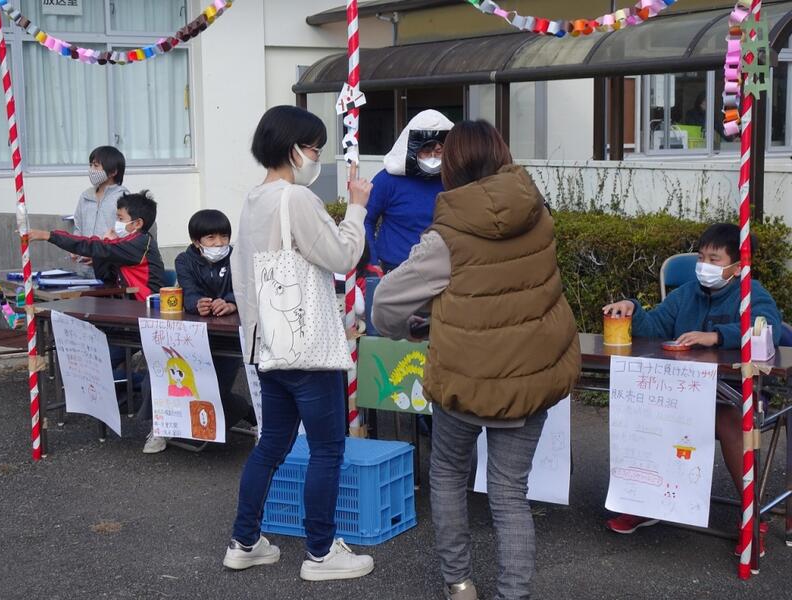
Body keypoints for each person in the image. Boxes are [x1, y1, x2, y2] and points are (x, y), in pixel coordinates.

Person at [371, 120, 581, 600]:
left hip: (464, 379)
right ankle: (514, 594)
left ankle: (460, 583)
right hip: (531, 375)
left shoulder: (446, 237)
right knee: (510, 492)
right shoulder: (539, 213)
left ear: (450, 167)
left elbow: (386, 304)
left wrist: (410, 328)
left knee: (448, 474)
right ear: (502, 154)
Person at [224, 105, 375, 581]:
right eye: (314, 148)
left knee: (271, 444)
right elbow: (343, 255)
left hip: (269, 344)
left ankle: (244, 541)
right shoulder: (297, 199)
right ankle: (321, 552)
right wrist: (357, 206)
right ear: (294, 149)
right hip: (309, 348)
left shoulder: (253, 200)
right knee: (328, 450)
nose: (317, 157)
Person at [602, 223, 781, 556]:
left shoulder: (752, 293)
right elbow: (654, 326)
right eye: (701, 257)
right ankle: (642, 501)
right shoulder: (686, 293)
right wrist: (632, 309)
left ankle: (751, 514)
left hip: (736, 392)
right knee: (642, 408)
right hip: (682, 392)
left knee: (730, 419)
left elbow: (769, 328)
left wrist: (717, 336)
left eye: (714, 259)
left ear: (737, 266)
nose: (704, 265)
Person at [140, 209, 255, 454]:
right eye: (211, 238)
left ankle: (248, 414)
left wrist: (231, 302)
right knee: (160, 378)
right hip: (189, 336)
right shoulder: (184, 260)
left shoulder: (237, 258)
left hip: (229, 336)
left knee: (213, 390)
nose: (219, 243)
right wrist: (196, 304)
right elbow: (188, 291)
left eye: (224, 237)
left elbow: (246, 287)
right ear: (196, 241)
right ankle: (160, 427)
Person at [30, 190, 164, 302]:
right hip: (128, 302)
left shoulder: (139, 243)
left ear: (138, 223)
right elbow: (106, 276)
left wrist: (48, 235)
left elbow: (95, 246)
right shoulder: (131, 243)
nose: (116, 223)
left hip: (146, 308)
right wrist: (99, 258)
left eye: (120, 219)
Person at [364, 109, 454, 273]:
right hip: (396, 268)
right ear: (413, 148)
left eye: (439, 151)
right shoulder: (387, 180)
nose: (433, 157)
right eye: (426, 151)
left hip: (443, 268)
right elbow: (365, 219)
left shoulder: (453, 180)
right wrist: (372, 261)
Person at [72, 146, 128, 277]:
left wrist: (101, 257)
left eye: (96, 166)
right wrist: (74, 248)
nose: (91, 170)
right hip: (83, 270)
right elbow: (78, 227)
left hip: (109, 271)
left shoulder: (123, 197)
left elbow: (125, 235)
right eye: (90, 165)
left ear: (113, 171)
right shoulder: (85, 196)